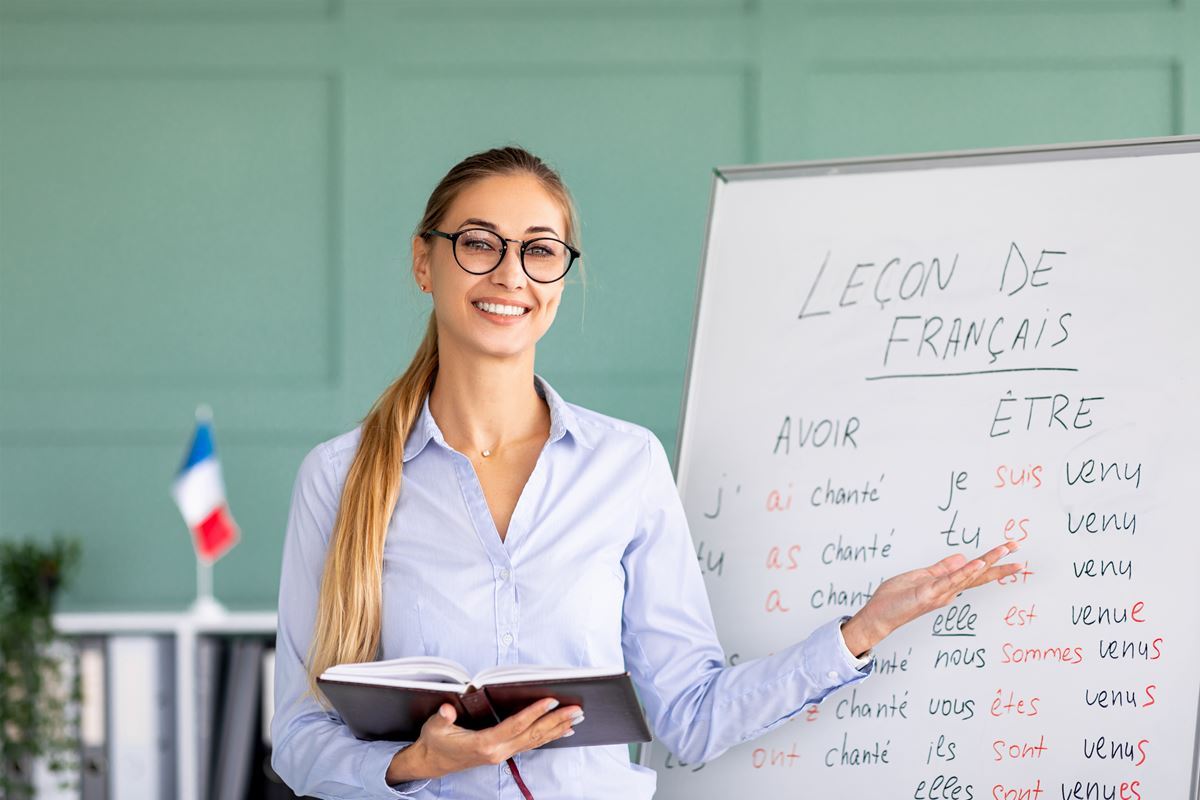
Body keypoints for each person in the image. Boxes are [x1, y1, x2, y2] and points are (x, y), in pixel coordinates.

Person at [270, 146, 1020, 800]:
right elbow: (300, 739)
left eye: (540, 250)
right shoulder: (338, 477)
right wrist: (416, 763)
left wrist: (862, 630)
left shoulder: (624, 465)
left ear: (561, 276)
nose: (510, 273)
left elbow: (689, 717)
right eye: (478, 243)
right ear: (423, 261)